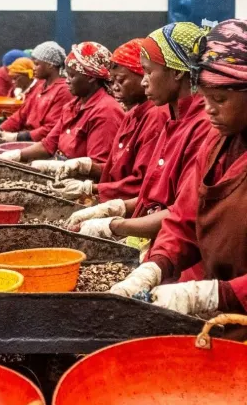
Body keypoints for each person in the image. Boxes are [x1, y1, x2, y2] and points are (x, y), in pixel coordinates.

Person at [109, 19, 247, 315]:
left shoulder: (204, 131)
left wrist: (213, 294)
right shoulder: (217, 141)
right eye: (206, 96)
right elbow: (185, 217)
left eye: (220, 99)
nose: (208, 107)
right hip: (219, 313)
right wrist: (156, 266)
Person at [67, 23, 211, 243]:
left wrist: (115, 224)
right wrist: (115, 208)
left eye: (148, 72)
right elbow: (152, 195)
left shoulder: (198, 126)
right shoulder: (172, 120)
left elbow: (184, 214)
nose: (144, 81)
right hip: (154, 238)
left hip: (173, 248)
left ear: (176, 72)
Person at [49, 39, 169, 202]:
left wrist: (91, 188)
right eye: (113, 82)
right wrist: (87, 167)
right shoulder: (132, 114)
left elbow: (141, 184)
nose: (115, 87)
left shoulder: (154, 117)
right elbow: (116, 171)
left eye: (121, 80)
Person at [0, 42, 124, 171]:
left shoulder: (106, 111)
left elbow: (100, 166)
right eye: (67, 74)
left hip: (80, 184)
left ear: (90, 77)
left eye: (72, 76)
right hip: (63, 172)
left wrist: (64, 167)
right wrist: (16, 155)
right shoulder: (73, 105)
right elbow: (48, 145)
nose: (67, 80)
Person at [0, 42, 71, 141]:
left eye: (37, 64)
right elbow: (21, 115)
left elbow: (52, 128)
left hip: (41, 146)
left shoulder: (63, 90)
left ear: (50, 65)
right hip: (29, 140)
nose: (33, 68)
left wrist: (18, 137)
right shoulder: (40, 87)